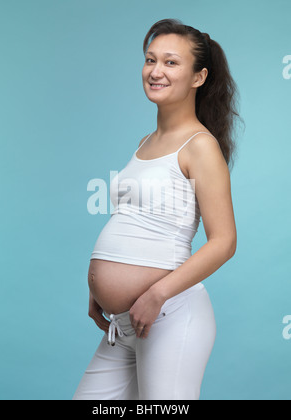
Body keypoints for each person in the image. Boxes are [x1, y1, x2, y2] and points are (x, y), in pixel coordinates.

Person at [73, 18, 241, 401]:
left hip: (170, 314)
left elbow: (225, 241)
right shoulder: (145, 142)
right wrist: (100, 288)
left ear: (198, 77)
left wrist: (156, 294)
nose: (155, 71)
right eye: (150, 60)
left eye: (170, 62)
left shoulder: (200, 146)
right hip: (125, 322)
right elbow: (133, 222)